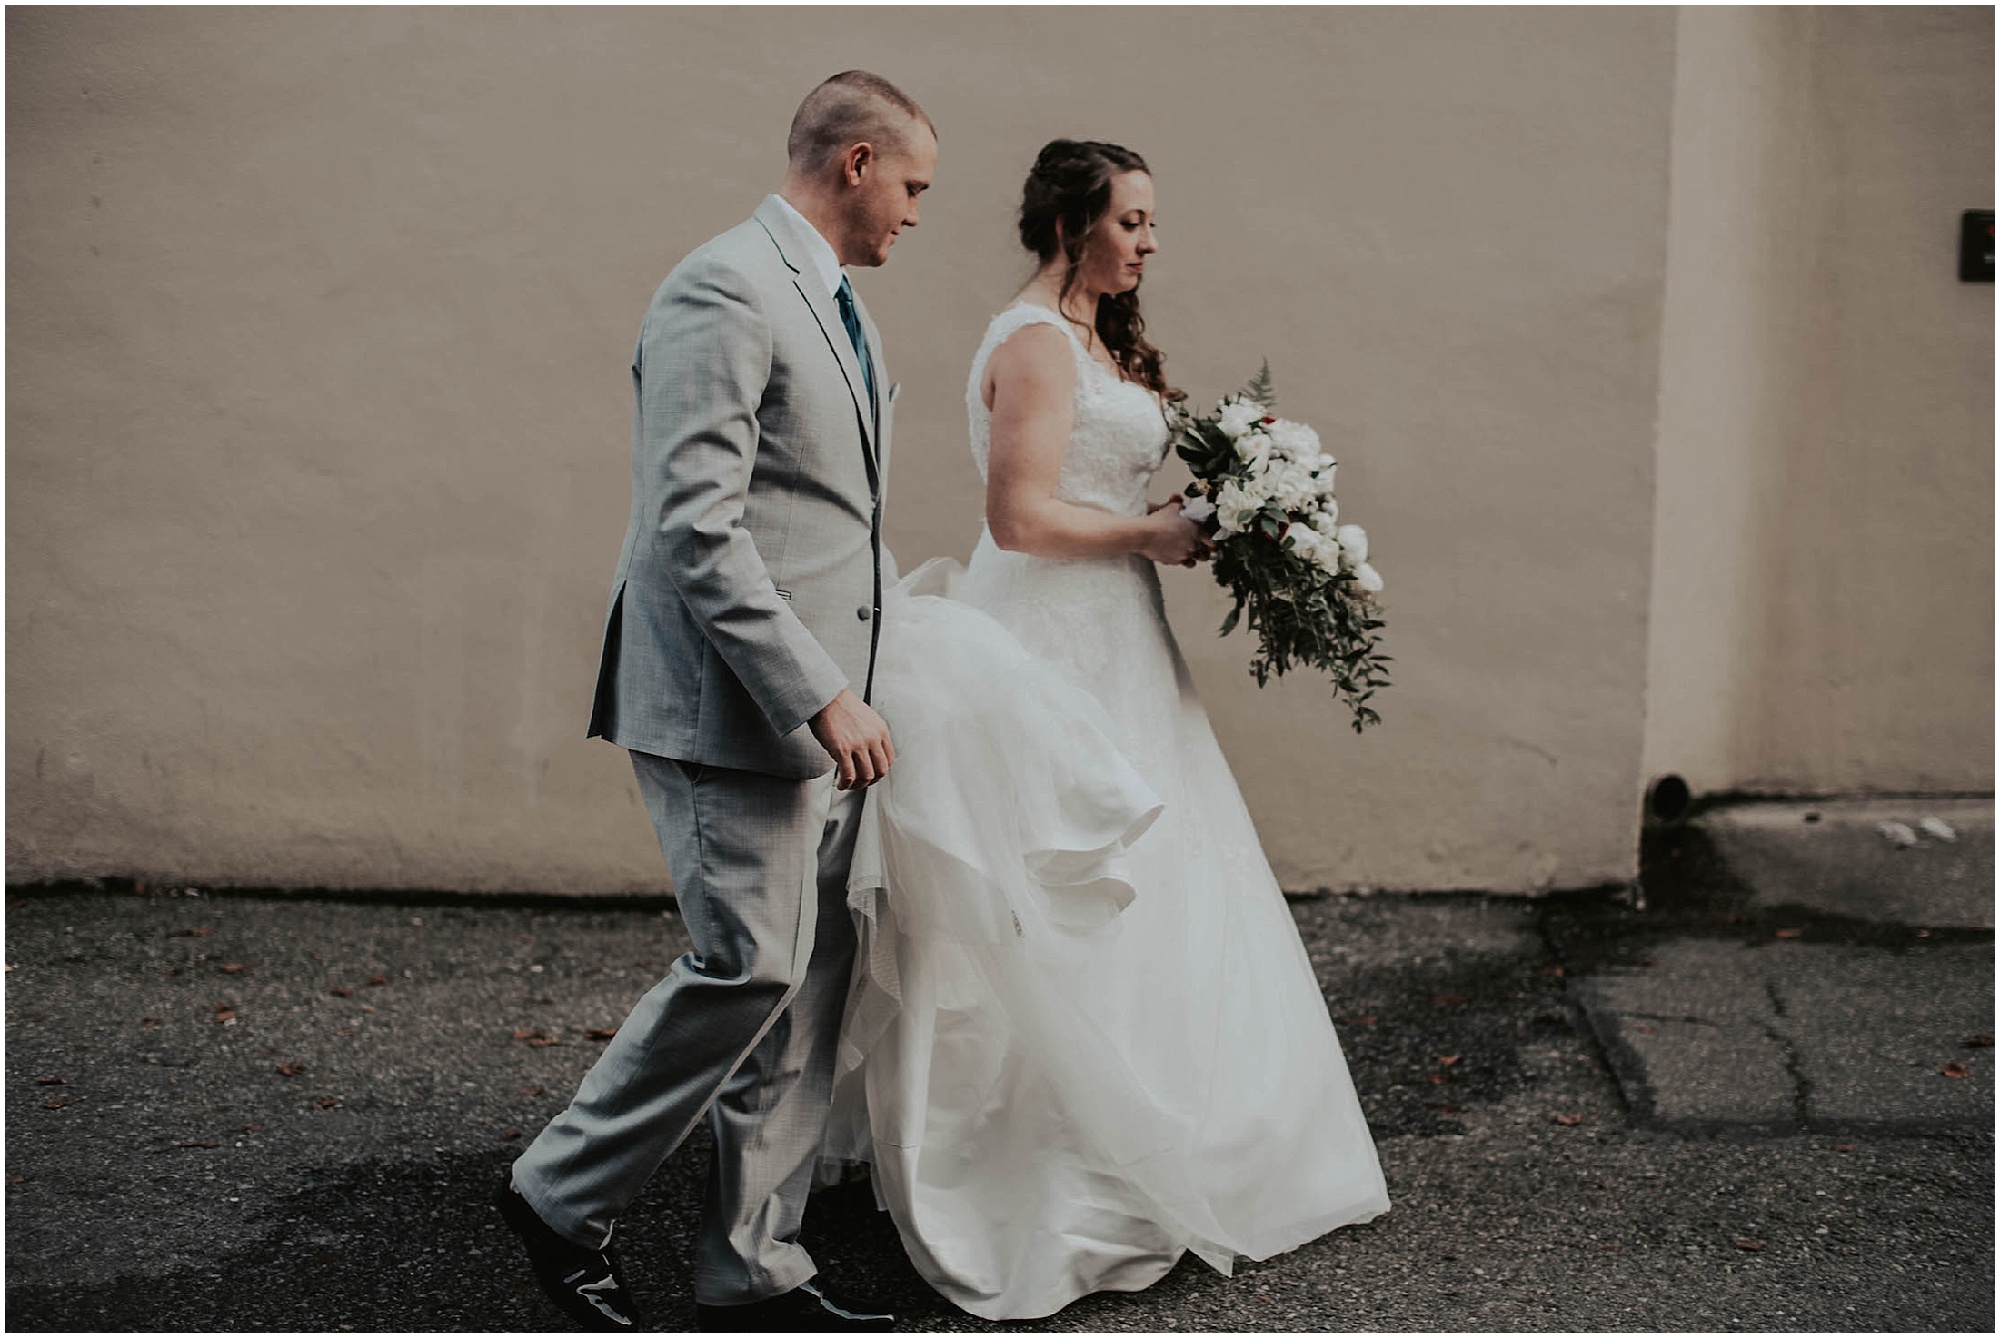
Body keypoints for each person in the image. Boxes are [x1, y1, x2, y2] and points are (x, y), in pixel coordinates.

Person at [822, 139, 1392, 1320]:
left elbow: (1098, 497)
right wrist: (1153, 533)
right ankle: (1047, 1149)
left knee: (1164, 865)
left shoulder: (1095, 340)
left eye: (1148, 223)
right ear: (1068, 225)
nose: (1147, 243)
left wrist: (1219, 517)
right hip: (1044, 638)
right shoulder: (1034, 343)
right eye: (1129, 222)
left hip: (1118, 630)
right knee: (1064, 872)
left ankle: (1178, 1124)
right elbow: (1020, 519)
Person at [494, 71, 935, 1333]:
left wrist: (888, 669)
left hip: (832, 714)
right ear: (855, 163)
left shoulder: (838, 302)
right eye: (912, 185)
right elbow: (694, 528)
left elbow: (828, 521)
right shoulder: (723, 286)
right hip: (734, 706)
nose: (916, 212)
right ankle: (558, 1194)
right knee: (752, 965)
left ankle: (752, 1261)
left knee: (813, 979)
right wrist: (819, 694)